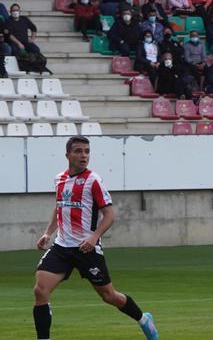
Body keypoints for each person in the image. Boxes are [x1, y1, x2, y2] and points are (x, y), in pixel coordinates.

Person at [33, 136, 159, 340]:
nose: (84, 156)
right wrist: (48, 232)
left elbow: (109, 215)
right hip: (62, 247)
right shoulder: (59, 179)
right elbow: (60, 207)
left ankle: (144, 319)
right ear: (68, 155)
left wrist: (94, 237)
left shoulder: (93, 180)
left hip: (87, 249)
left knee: (109, 296)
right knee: (40, 290)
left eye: (87, 151)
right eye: (78, 151)